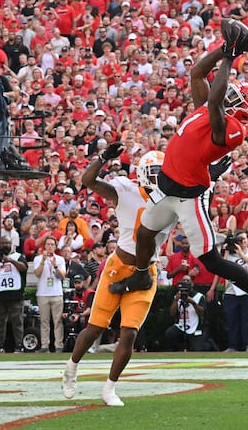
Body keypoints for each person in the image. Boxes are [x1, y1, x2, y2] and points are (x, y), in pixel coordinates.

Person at [121, 20, 248, 335]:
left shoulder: (232, 129)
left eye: (237, 99)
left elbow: (214, 101)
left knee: (211, 261)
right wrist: (223, 50)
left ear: (242, 113)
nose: (231, 96)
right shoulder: (211, 109)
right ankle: (142, 273)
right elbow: (197, 73)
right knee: (144, 234)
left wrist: (230, 59)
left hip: (189, 196)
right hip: (168, 187)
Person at [62, 146, 174, 407]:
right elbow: (88, 181)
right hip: (118, 267)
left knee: (130, 334)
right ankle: (71, 368)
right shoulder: (127, 189)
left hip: (147, 272)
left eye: (163, 172)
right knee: (95, 327)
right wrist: (103, 158)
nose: (159, 177)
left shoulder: (173, 199)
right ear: (143, 174)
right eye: (154, 172)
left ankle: (110, 388)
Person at [0, 235, 28, 353]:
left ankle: (19, 346)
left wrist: (10, 260)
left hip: (15, 295)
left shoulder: (18, 256)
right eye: (2, 243)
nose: (4, 245)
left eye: (6, 243)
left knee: (17, 323)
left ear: (11, 244)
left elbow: (24, 268)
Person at [218, 232, 248, 352]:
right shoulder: (230, 255)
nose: (242, 241)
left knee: (246, 320)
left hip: (247, 292)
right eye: (240, 239)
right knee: (232, 320)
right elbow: (221, 267)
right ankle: (232, 345)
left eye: (244, 239)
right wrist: (226, 251)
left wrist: (241, 253)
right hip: (231, 291)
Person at [165, 274, 215, 351]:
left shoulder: (199, 296)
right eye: (183, 280)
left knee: (199, 348)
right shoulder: (178, 295)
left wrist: (193, 302)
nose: (185, 282)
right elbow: (172, 313)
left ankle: (208, 344)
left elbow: (202, 312)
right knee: (170, 333)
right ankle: (180, 348)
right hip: (182, 326)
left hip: (195, 327)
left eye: (187, 281)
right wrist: (176, 300)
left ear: (192, 284)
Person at [33, 236, 66, 353]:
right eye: (48, 244)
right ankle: (44, 345)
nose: (50, 246)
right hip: (43, 293)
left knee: (57, 321)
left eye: (52, 244)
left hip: (56, 293)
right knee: (44, 321)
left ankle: (58, 345)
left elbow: (62, 276)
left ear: (55, 246)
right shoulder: (38, 259)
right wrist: (43, 260)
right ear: (44, 246)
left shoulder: (60, 259)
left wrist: (55, 265)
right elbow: (37, 273)